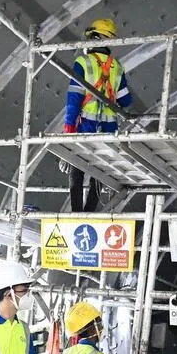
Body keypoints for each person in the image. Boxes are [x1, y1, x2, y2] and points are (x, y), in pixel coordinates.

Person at [63, 17, 134, 213]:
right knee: (100, 171)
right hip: (108, 130)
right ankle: (90, 211)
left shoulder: (83, 62)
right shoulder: (117, 67)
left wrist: (68, 129)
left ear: (94, 37)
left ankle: (76, 213)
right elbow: (126, 101)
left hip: (85, 127)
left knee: (76, 170)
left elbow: (74, 98)